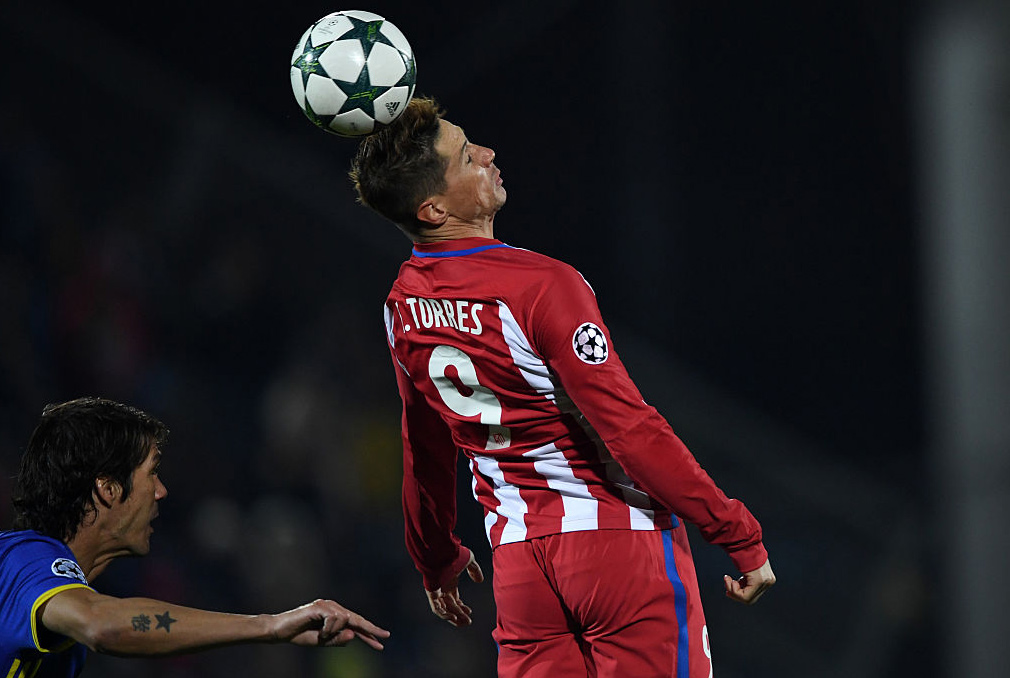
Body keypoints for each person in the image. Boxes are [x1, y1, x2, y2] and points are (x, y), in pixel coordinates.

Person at [349, 97, 776, 678]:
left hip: (522, 571)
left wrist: (435, 556)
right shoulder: (541, 286)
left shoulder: (401, 306)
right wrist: (734, 530)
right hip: (617, 547)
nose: (489, 154)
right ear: (434, 209)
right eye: (468, 156)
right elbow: (628, 427)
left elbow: (424, 446)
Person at [0, 397, 390, 678]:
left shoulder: (50, 606)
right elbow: (103, 624)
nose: (161, 491)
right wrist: (270, 626)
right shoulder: (23, 560)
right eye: (152, 472)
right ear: (108, 488)